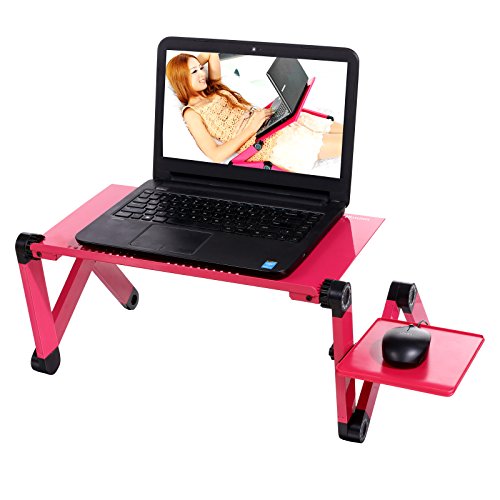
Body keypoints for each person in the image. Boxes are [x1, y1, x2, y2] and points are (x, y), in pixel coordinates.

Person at [166, 52, 343, 172]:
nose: (201, 74)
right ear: (181, 79)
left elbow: (211, 53)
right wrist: (252, 126)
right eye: (194, 72)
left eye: (200, 68)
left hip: (272, 120)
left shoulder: (213, 88)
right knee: (348, 144)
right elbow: (216, 155)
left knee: (345, 130)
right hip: (266, 142)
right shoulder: (191, 113)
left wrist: (189, 63)